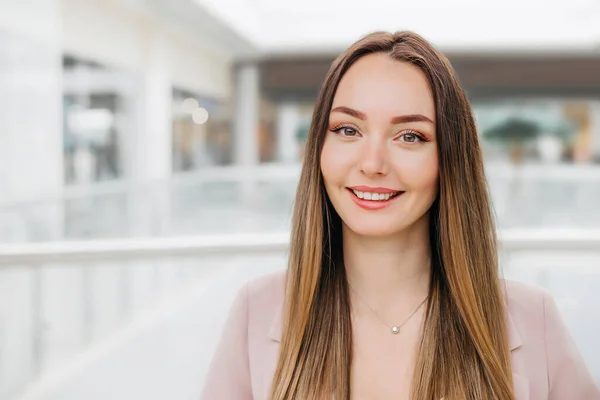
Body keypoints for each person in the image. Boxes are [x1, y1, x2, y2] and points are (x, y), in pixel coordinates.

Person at [200, 31, 600, 400]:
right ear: (319, 149)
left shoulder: (535, 320)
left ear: (449, 160)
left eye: (410, 136)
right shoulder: (256, 310)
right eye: (347, 130)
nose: (372, 163)